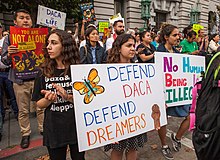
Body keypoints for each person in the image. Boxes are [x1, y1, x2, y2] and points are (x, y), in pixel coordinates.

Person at [32, 30, 85, 160]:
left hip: (77, 127)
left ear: (65, 46)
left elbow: (86, 101)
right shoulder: (43, 71)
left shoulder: (78, 70)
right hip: (54, 128)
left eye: (54, 43)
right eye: (48, 43)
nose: (48, 47)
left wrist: (68, 97)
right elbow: (38, 103)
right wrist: (48, 99)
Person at [1, 9, 44, 149]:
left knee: (40, 107)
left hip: (37, 78)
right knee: (23, 110)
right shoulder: (9, 39)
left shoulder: (39, 36)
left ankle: (43, 129)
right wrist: (9, 55)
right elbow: (4, 61)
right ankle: (25, 134)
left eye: (28, 18)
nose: (25, 20)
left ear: (31, 21)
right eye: (21, 18)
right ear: (15, 22)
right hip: (19, 81)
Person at [105, 34, 147, 160]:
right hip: (116, 119)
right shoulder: (107, 70)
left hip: (134, 117)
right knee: (118, 150)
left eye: (133, 45)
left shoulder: (139, 69)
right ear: (118, 48)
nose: (133, 48)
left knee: (133, 148)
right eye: (129, 45)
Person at [157, 24, 191, 160]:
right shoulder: (158, 53)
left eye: (178, 35)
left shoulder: (177, 53)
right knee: (162, 120)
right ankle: (164, 145)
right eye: (175, 35)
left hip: (177, 93)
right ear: (166, 37)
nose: (178, 37)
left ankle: (177, 137)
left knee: (190, 116)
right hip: (163, 94)